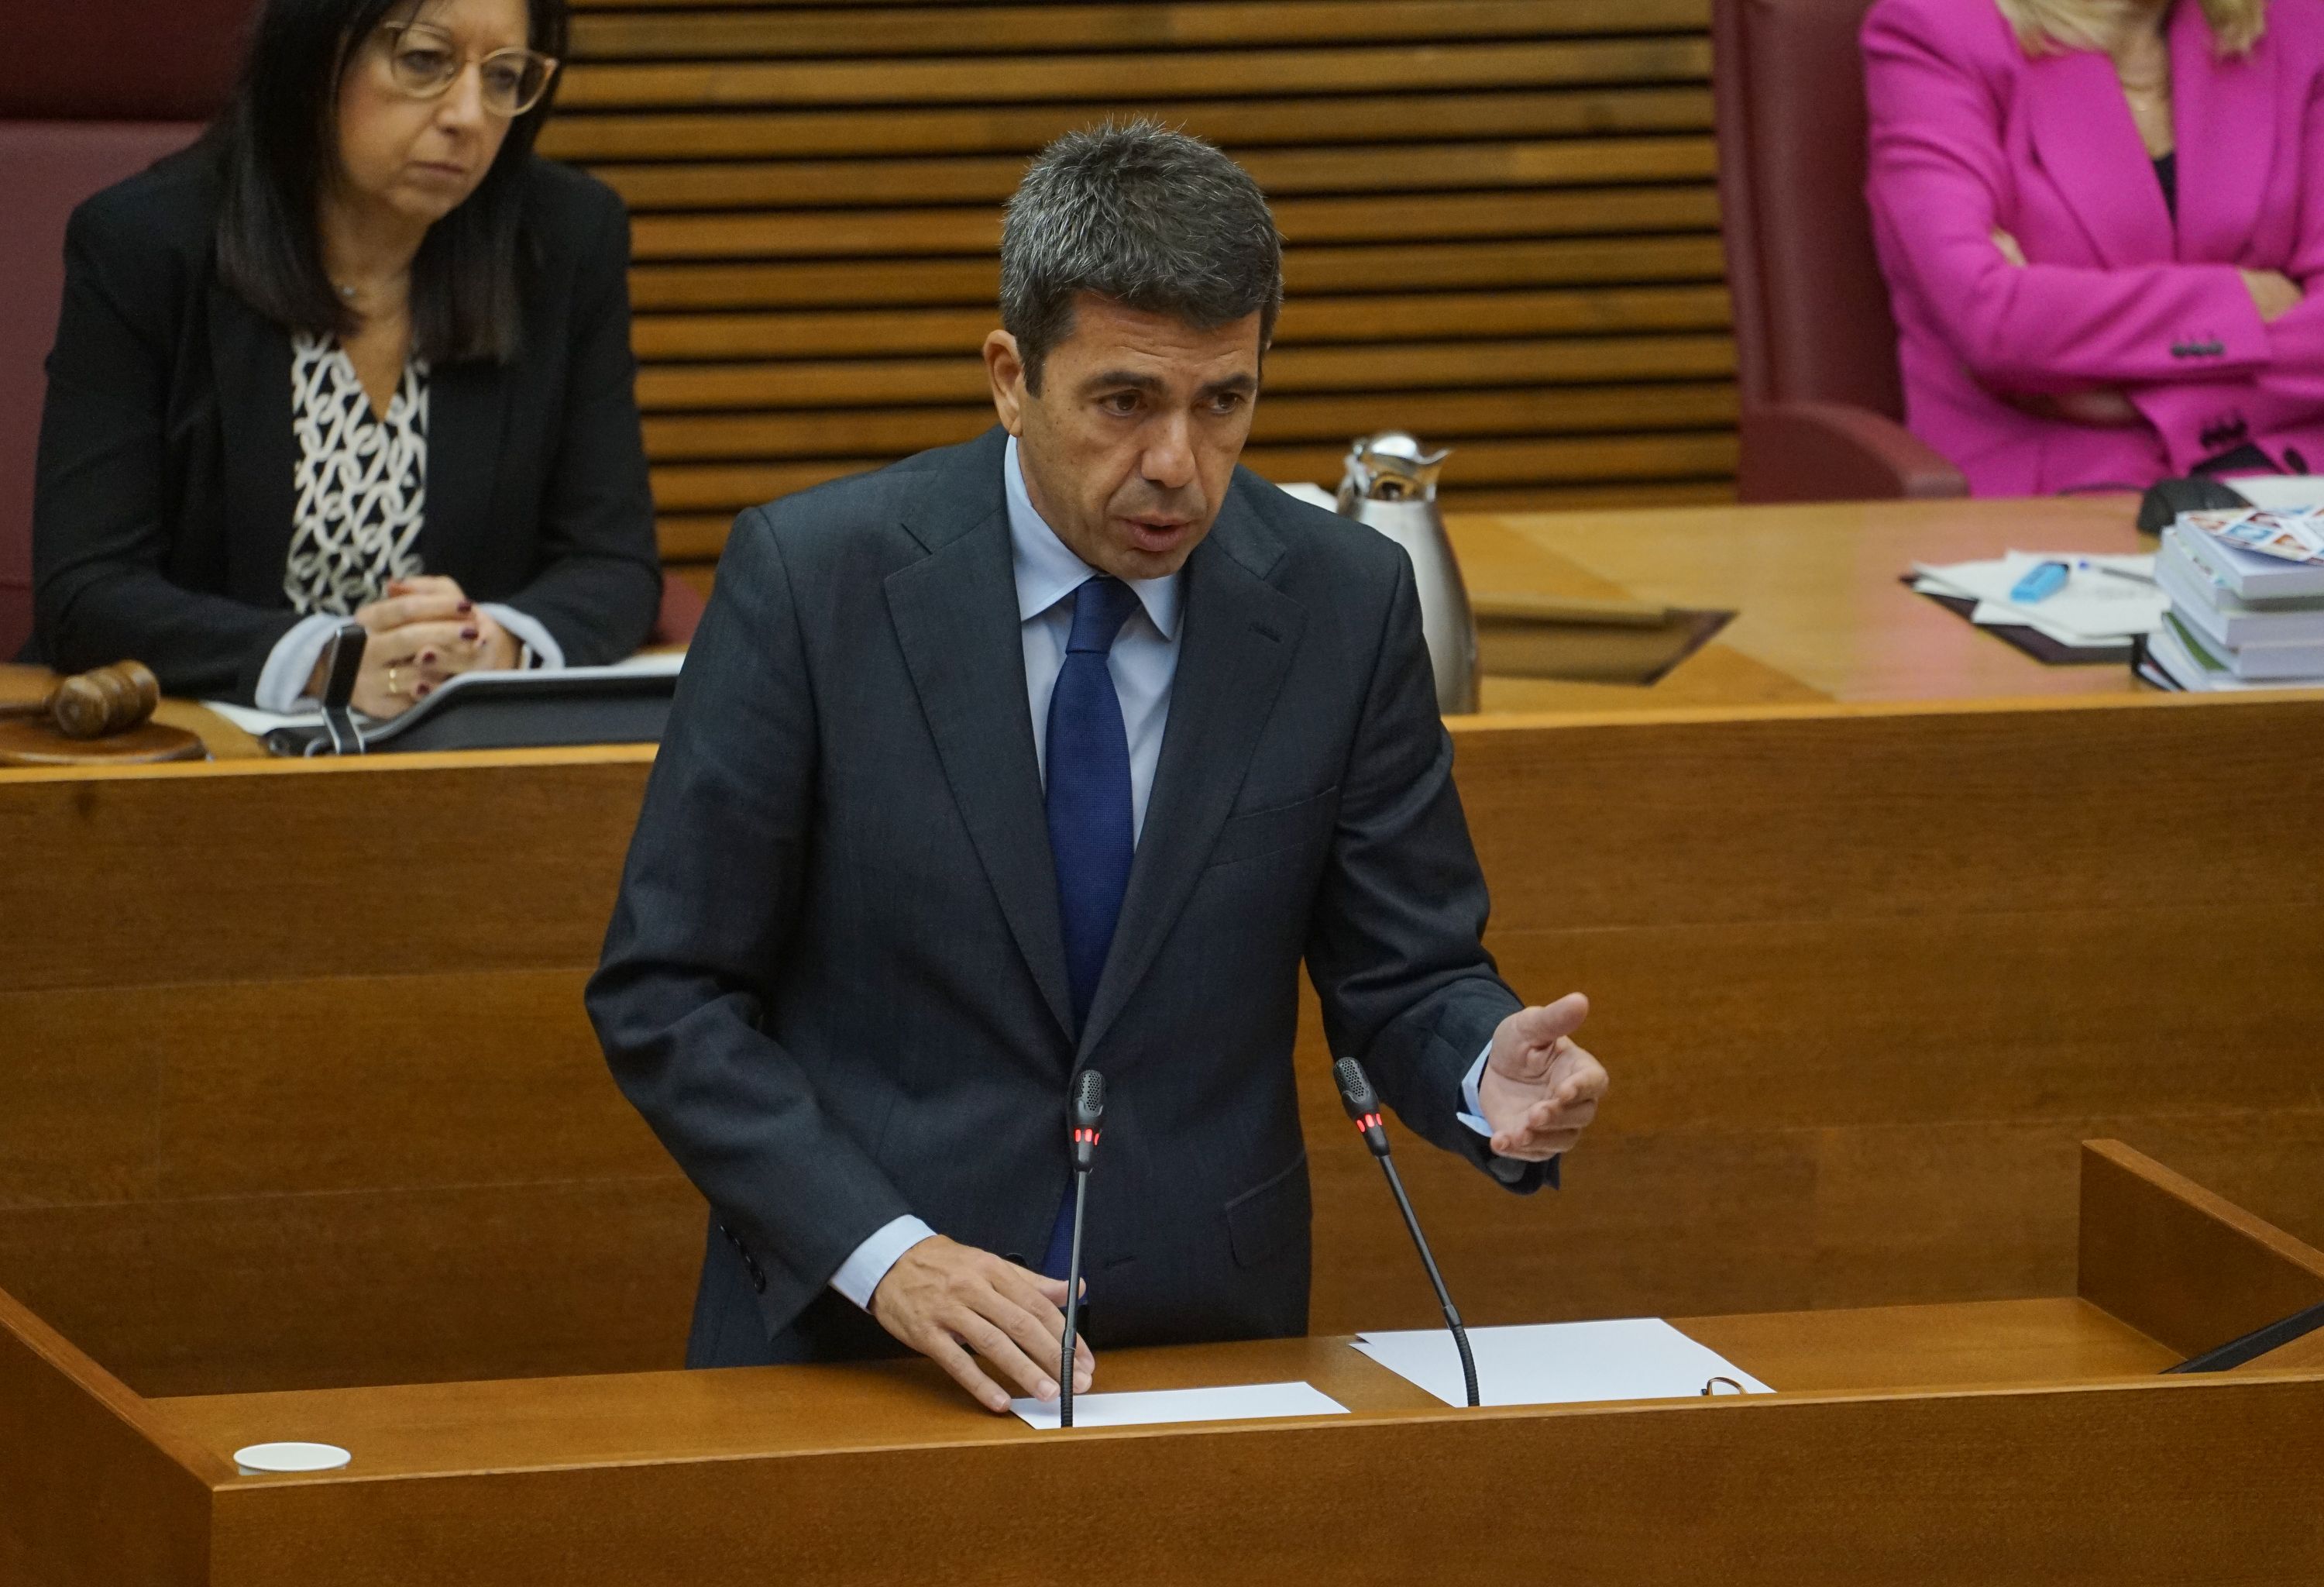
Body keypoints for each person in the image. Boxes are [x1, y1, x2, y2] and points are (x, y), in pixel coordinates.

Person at [586, 122, 1611, 1414]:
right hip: (859, 1335)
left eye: (1223, 401)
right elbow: (668, 990)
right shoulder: (815, 582)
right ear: (1012, 377)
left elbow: (1404, 968)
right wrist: (889, 1255)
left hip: (1198, 1343)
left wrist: (1477, 1063)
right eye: (1126, 401)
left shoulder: (1341, 603)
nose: (1178, 464)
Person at [32, 0, 659, 715]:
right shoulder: (146, 245)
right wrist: (328, 661)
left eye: (504, 76)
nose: (469, 116)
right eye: (424, 61)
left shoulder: (563, 241)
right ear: (317, 56)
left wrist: (495, 647)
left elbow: (613, 563)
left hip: (457, 763)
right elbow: (86, 591)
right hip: (194, 754)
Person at [1863, 0, 2324, 495]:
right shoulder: (1935, 29)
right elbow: (1988, 316)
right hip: (2055, 502)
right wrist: (2239, 304)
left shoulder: (2300, 23)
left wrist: (2144, 402)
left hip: (2285, 487)